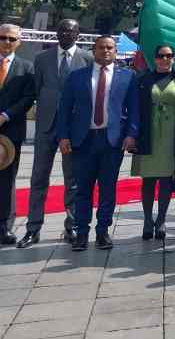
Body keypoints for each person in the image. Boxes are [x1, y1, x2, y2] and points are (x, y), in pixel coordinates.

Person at [56, 36, 139, 251]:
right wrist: (63, 136)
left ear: (116, 50)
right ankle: (81, 233)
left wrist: (131, 134)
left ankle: (102, 232)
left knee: (107, 189)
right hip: (83, 140)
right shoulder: (77, 77)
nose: (106, 51)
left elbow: (134, 111)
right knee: (82, 189)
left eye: (110, 47)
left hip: (112, 141)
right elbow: (64, 109)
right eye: (101, 47)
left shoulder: (128, 77)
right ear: (94, 50)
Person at [19, 18, 92, 248]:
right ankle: (33, 229)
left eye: (70, 31)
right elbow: (37, 90)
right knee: (38, 178)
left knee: (72, 180)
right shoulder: (42, 59)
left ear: (78, 34)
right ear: (56, 33)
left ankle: (71, 227)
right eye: (62, 30)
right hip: (46, 128)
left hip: (72, 130)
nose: (65, 34)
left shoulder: (88, 59)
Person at [131, 44, 175, 240]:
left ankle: (161, 219)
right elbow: (134, 109)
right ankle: (147, 220)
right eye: (161, 56)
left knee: (165, 179)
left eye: (169, 56)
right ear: (154, 59)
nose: (165, 59)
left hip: (171, 136)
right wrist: (132, 134)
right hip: (148, 133)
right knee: (148, 178)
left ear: (174, 58)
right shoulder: (143, 80)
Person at [0, 24, 35, 246]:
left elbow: (28, 98)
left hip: (10, 132)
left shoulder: (27, 68)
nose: (7, 42)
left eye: (12, 39)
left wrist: (6, 115)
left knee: (6, 180)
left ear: (19, 42)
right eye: (3, 37)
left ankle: (5, 226)